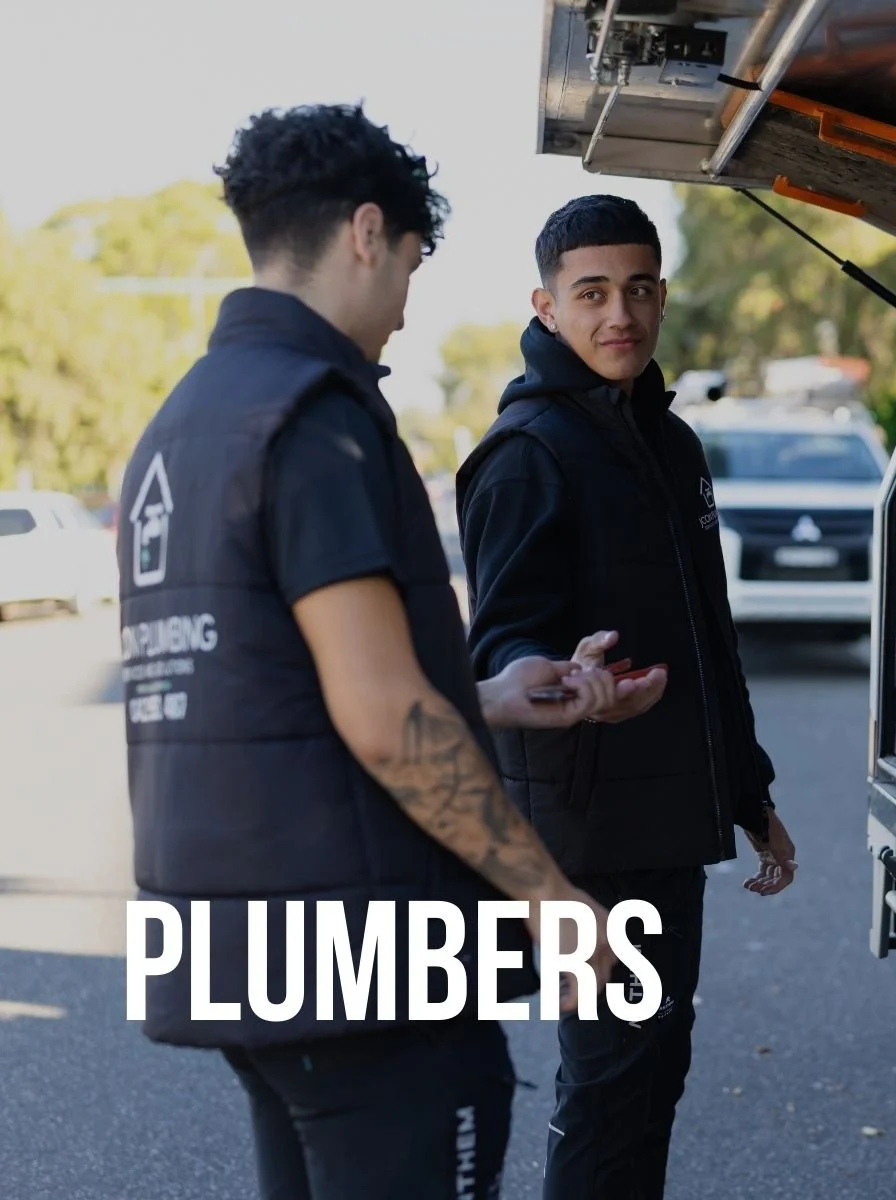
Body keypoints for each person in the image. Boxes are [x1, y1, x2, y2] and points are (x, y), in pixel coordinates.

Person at [116, 106, 661, 1200]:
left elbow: (271, 678)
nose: (408, 306)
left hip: (233, 951)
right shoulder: (316, 418)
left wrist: (484, 695)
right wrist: (548, 896)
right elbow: (381, 716)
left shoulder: (184, 423)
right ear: (368, 233)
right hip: (365, 968)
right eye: (411, 264)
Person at [455, 194, 800, 1199]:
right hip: (588, 830)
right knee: (610, 1087)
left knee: (651, 1073)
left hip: (666, 821)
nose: (621, 314)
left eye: (640, 289)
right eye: (593, 292)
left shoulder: (670, 443)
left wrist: (749, 793)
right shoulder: (526, 453)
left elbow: (708, 638)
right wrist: (567, 671)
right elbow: (501, 639)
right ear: (547, 305)